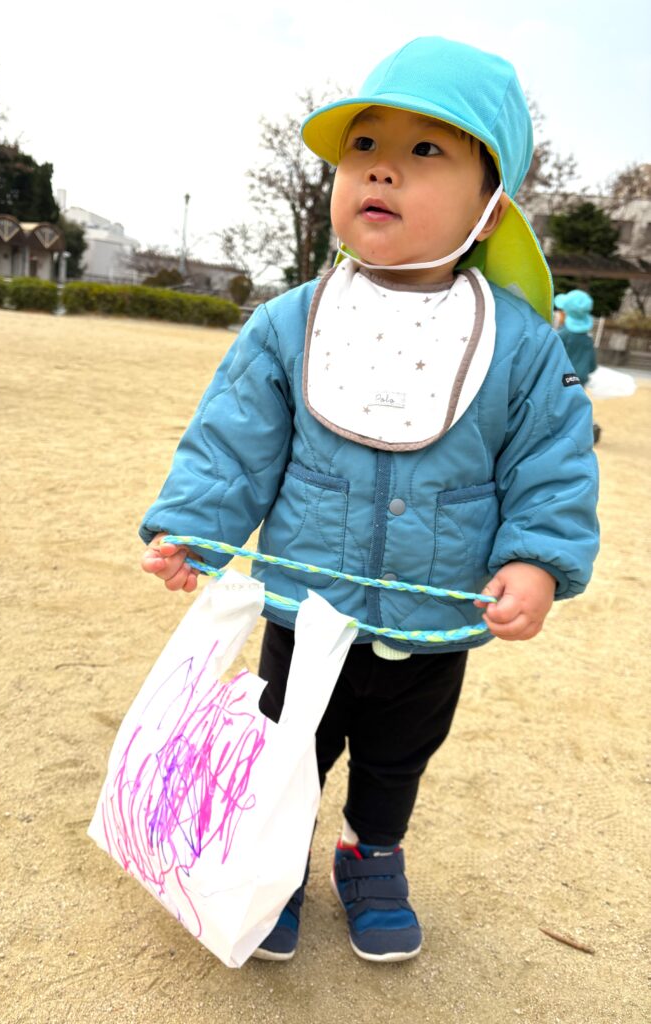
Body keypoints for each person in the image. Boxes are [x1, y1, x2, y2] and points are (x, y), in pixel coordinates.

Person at [139, 37, 599, 964]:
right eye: (363, 146)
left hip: (430, 621)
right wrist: (194, 527)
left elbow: (552, 461)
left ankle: (371, 850)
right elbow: (236, 438)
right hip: (304, 613)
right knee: (287, 749)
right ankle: (276, 864)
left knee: (396, 758)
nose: (381, 165)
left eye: (427, 149)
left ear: (490, 202)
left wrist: (535, 560)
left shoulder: (518, 345)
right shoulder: (293, 321)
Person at [555, 289, 601, 442]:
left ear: (566, 314)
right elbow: (592, 366)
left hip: (560, 380)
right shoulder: (587, 339)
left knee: (558, 407)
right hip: (579, 380)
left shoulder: (562, 335)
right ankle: (587, 428)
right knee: (575, 408)